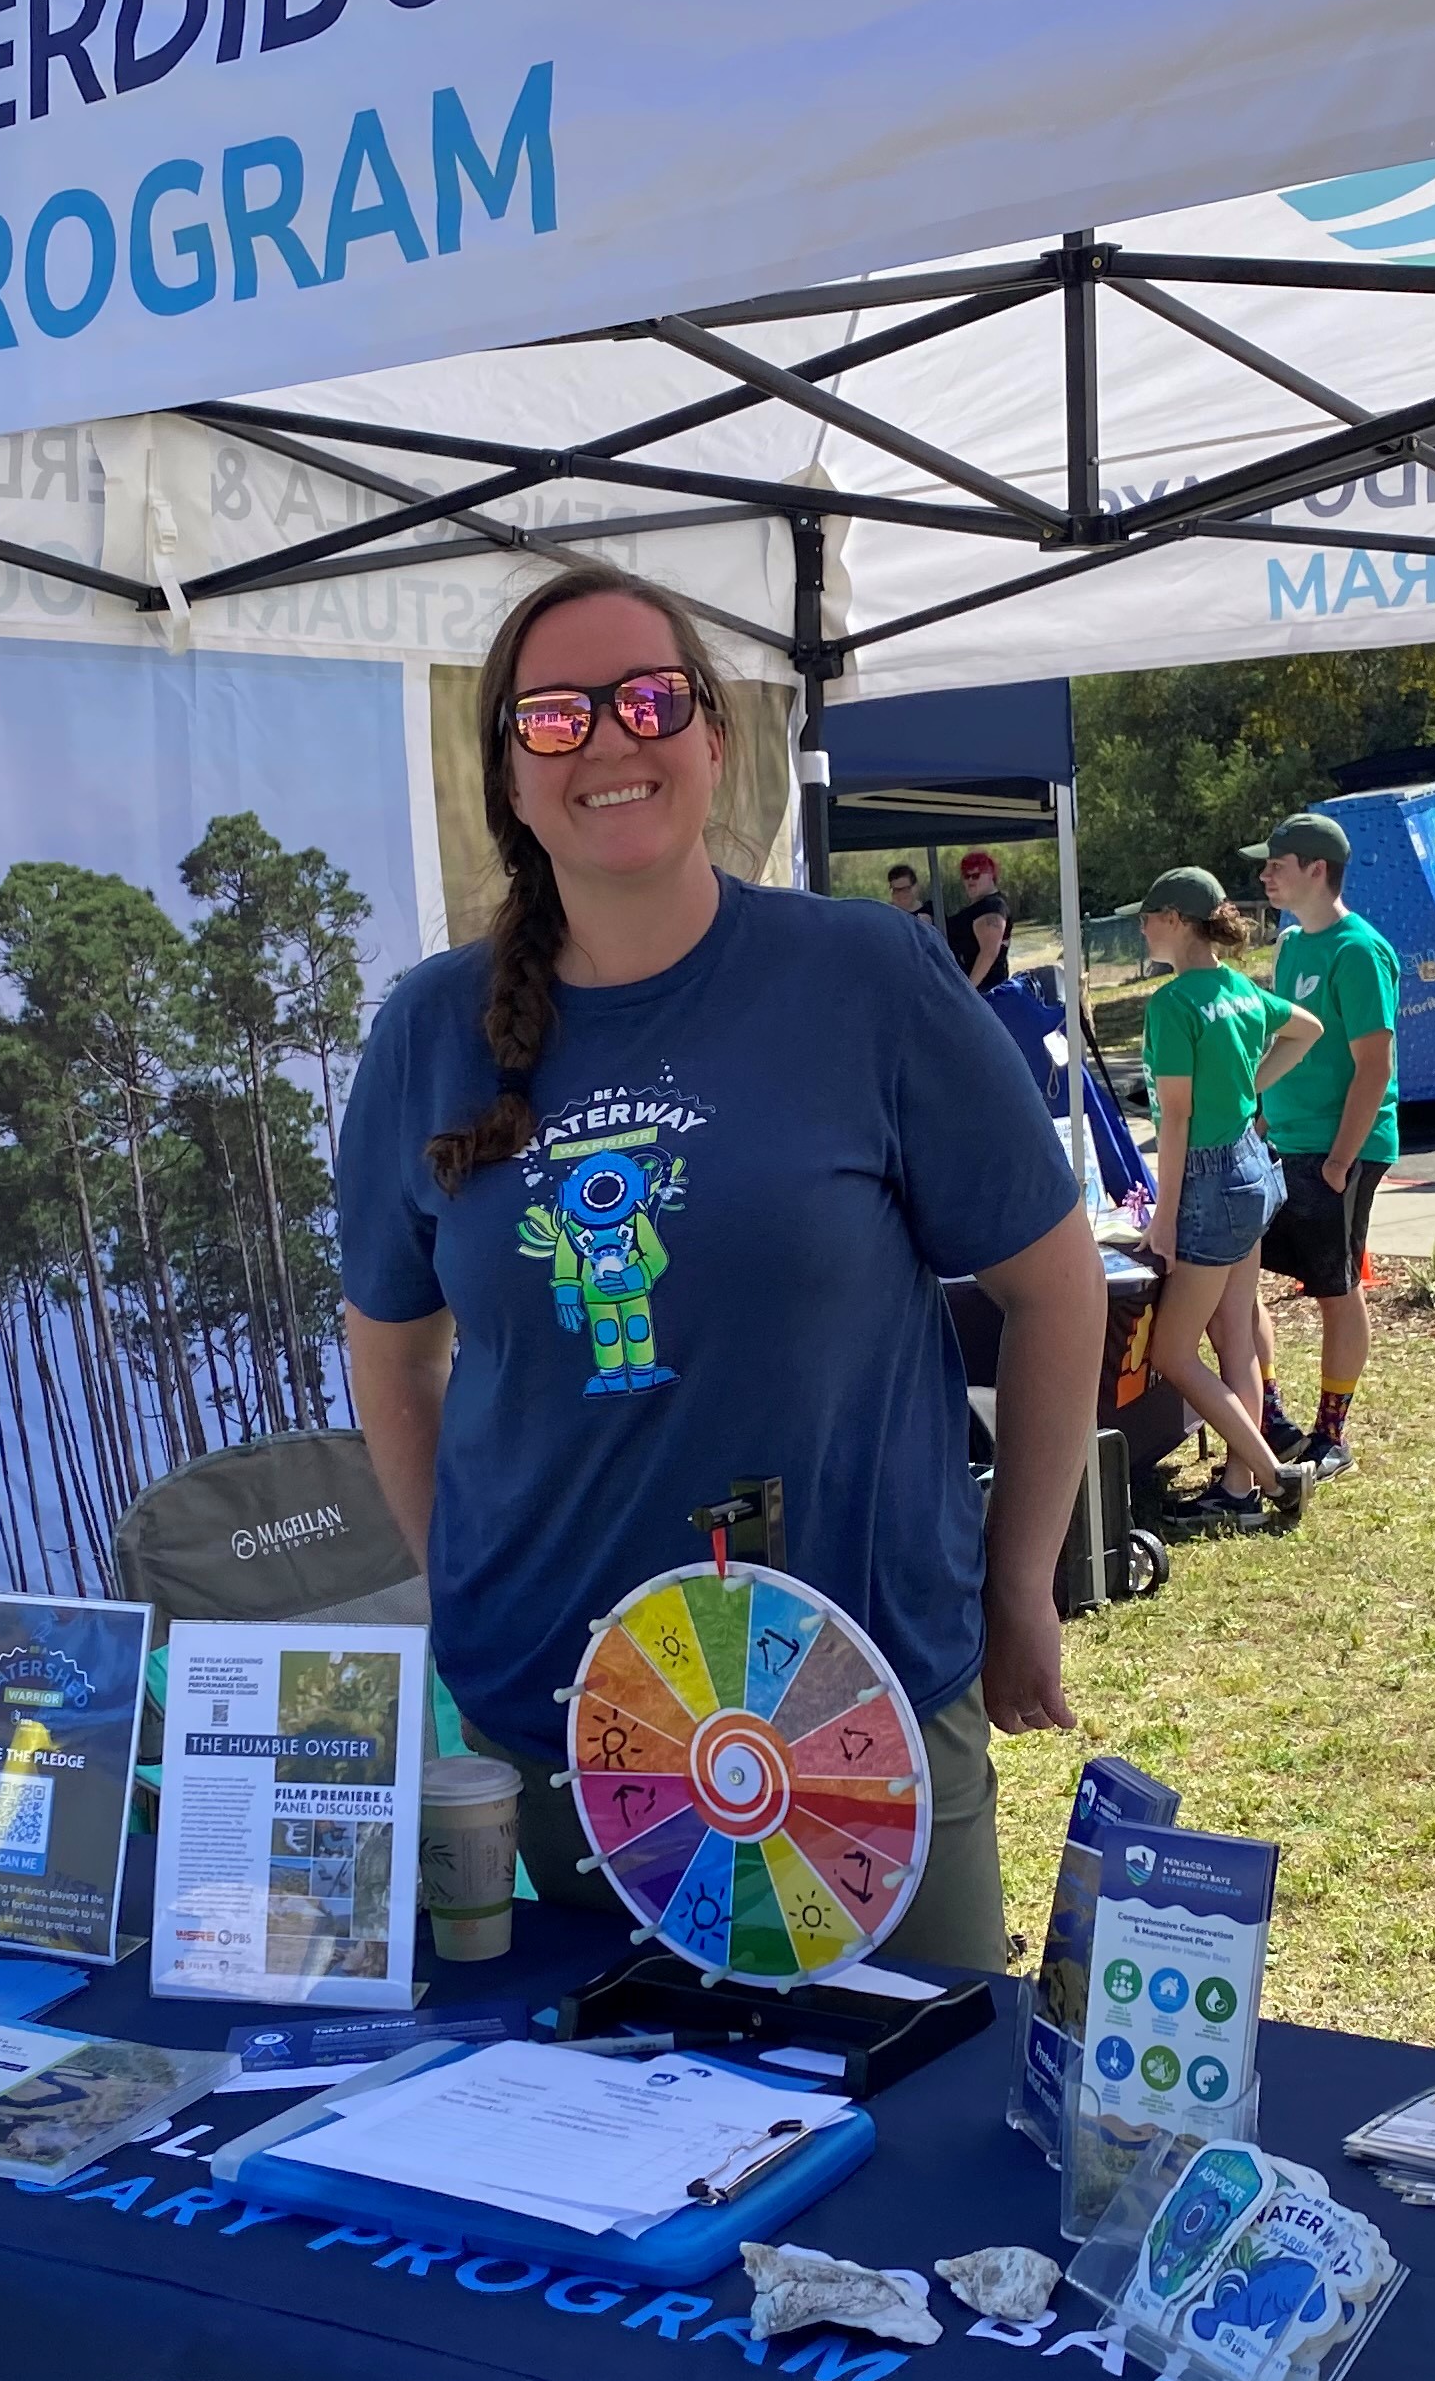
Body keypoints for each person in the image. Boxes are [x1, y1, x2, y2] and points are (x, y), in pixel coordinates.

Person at [336, 563, 1105, 1974]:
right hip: (557, 1735)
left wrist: (1018, 1588)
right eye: (556, 719)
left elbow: (1056, 1289)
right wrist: (460, 1581)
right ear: (507, 775)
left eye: (648, 700)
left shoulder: (869, 980)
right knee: (574, 2162)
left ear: (714, 738)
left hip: (855, 1709)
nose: (613, 742)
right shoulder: (428, 1035)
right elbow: (391, 1349)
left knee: (903, 2149)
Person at [1134, 864, 1318, 1527]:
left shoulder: (1174, 1004)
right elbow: (1308, 1029)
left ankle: (1272, 1478)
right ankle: (1239, 1489)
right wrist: (1251, 1090)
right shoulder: (1240, 990)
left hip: (1211, 1182)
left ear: (1177, 920)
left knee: (1173, 1353)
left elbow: (1175, 1117)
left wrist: (1164, 1216)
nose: (1142, 928)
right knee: (1234, 1342)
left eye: (1149, 917)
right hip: (1251, 1169)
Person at [1253, 809, 1402, 1477]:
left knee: (1336, 1288)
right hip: (1283, 1140)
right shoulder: (1289, 945)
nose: (1265, 877)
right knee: (1236, 1272)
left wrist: (1343, 1157)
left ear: (1318, 870)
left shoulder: (1358, 950)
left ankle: (1331, 1434)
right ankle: (1267, 1412)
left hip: (1338, 1150)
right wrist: (1254, 1113)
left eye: (1277, 865)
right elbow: (1283, 1040)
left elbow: (1376, 1065)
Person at [945, 850, 1011, 987]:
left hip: (986, 993)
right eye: (966, 876)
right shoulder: (979, 907)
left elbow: (989, 953)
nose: (970, 881)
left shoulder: (993, 907)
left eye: (975, 876)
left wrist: (969, 991)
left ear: (990, 875)